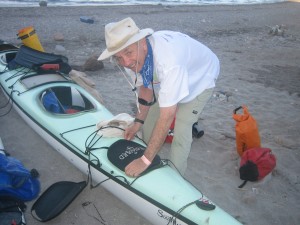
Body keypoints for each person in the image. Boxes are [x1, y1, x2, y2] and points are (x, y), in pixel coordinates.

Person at [98, 17, 220, 177]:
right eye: (119, 58)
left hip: (201, 77)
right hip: (171, 72)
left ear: (142, 42)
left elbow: (167, 116)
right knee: (148, 121)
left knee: (182, 127)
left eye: (128, 52)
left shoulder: (169, 61)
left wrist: (145, 161)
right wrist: (137, 122)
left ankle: (176, 177)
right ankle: (147, 152)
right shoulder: (131, 59)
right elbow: (145, 88)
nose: (126, 62)